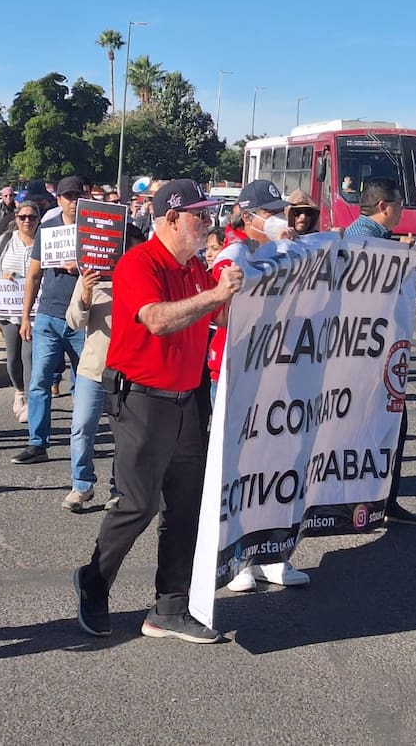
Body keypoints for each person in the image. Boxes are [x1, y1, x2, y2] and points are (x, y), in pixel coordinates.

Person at [74, 179, 243, 644]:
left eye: (209, 215)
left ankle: (169, 607)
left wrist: (240, 287)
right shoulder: (138, 263)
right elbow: (157, 319)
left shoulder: (194, 267)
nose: (208, 223)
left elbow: (219, 317)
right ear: (171, 218)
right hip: (142, 399)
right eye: (199, 215)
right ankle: (94, 581)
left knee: (186, 506)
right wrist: (216, 295)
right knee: (139, 504)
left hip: (188, 398)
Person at [213, 180, 312, 593]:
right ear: (248, 215)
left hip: (280, 370)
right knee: (238, 468)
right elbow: (218, 314)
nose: (276, 219)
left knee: (279, 461)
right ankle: (238, 558)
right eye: (268, 213)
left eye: (278, 212)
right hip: (238, 370)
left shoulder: (283, 250)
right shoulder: (232, 255)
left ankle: (275, 553)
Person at [344, 178, 416, 525]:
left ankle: (380, 501)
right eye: (400, 203)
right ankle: (375, 503)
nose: (402, 210)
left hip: (372, 352)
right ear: (383, 206)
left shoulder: (376, 240)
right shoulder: (367, 242)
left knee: (387, 425)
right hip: (364, 358)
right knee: (383, 426)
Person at [63, 224, 148, 512]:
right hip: (94, 368)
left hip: (130, 370)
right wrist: (86, 294)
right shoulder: (93, 277)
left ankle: (118, 489)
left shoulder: (144, 277)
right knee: (82, 427)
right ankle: (81, 485)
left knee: (124, 435)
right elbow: (74, 322)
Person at [13, 175, 88, 465]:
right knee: (39, 381)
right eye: (68, 196)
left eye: (78, 195)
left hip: (84, 318)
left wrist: (81, 268)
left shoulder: (94, 231)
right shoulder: (47, 230)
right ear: (59, 200)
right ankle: (37, 442)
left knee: (84, 384)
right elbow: (33, 276)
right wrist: (26, 317)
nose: (73, 201)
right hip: (48, 316)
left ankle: (82, 441)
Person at [0, 200, 41, 423]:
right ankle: (19, 391)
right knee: (13, 357)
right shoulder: (6, 240)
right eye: (22, 217)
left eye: (32, 217)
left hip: (35, 310)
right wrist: (2, 276)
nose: (27, 221)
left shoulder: (43, 241)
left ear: (38, 220)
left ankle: (30, 402)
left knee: (29, 355)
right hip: (9, 309)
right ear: (16, 219)